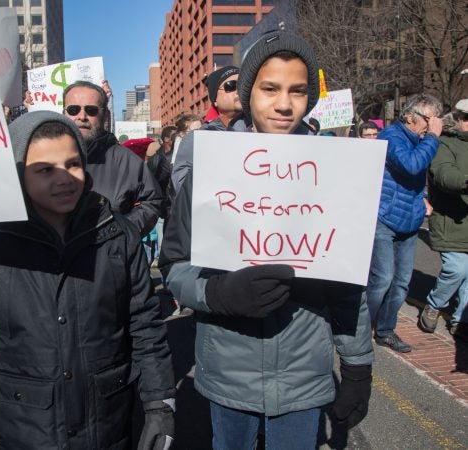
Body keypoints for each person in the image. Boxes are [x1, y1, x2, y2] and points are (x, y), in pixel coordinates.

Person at [0, 111, 176, 449]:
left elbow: (144, 324)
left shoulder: (118, 234)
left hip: (107, 424)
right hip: (25, 428)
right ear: (17, 174)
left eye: (72, 164)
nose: (64, 179)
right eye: (44, 170)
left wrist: (160, 403)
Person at [159, 30, 374, 449]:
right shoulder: (212, 167)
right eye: (270, 88)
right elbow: (174, 266)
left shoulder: (335, 172)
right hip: (227, 369)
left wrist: (357, 364)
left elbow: (348, 287)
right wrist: (216, 293)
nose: (283, 103)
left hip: (303, 374)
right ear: (247, 92)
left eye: (297, 90)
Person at [366, 93, 443, 353]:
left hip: (409, 220)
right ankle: (360, 329)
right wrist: (432, 138)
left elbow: (417, 176)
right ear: (411, 116)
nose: (431, 126)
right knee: (382, 279)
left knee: (401, 284)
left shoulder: (421, 141)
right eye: (428, 120)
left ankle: (385, 330)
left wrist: (422, 197)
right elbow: (411, 166)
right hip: (385, 218)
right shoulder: (391, 136)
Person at [62, 80, 163, 236]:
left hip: (111, 259)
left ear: (105, 115)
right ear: (64, 114)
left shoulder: (126, 160)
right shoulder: (44, 158)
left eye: (91, 110)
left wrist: (120, 233)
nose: (82, 116)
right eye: (73, 109)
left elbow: (152, 202)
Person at [418, 99, 468, 341]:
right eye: (466, 118)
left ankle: (461, 320)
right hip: (452, 221)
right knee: (456, 269)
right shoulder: (443, 143)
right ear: (457, 118)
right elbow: (444, 174)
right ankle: (434, 303)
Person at [172, 65, 243, 195]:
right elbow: (181, 185)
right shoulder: (198, 138)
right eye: (231, 85)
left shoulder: (262, 129)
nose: (239, 90)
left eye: (243, 84)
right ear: (215, 99)